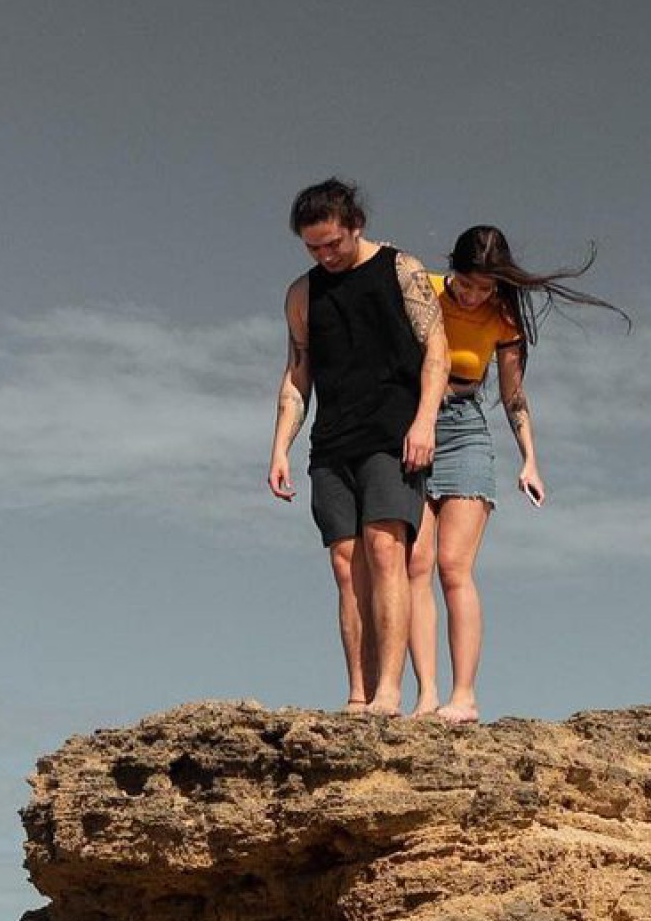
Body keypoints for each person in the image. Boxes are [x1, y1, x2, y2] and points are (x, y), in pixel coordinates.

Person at [408, 225, 627, 723]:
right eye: (466, 284)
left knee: (453, 567)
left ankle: (463, 697)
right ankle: (425, 694)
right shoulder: (423, 291)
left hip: (466, 426)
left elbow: (513, 394)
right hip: (414, 421)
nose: (472, 295)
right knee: (414, 565)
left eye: (485, 288)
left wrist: (530, 457)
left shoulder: (502, 316)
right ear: (452, 269)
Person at [268, 178, 449, 715]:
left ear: (356, 226)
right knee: (347, 566)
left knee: (386, 549)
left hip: (393, 434)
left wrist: (424, 423)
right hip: (331, 442)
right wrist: (280, 447)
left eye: (333, 244)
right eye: (313, 248)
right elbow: (297, 375)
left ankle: (390, 693)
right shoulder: (302, 294)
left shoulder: (402, 270)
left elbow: (437, 351)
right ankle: (358, 694)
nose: (325, 255)